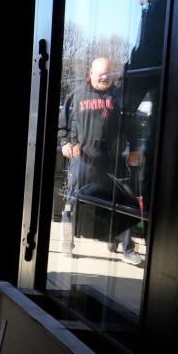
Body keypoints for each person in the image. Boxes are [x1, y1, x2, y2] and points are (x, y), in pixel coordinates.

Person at [57, 56, 142, 265]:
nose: (105, 77)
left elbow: (131, 124)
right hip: (83, 159)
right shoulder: (76, 95)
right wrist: (65, 142)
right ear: (91, 73)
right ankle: (67, 243)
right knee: (71, 201)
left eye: (108, 74)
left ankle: (127, 249)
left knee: (124, 203)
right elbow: (63, 124)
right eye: (101, 74)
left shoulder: (119, 96)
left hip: (112, 160)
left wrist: (135, 149)